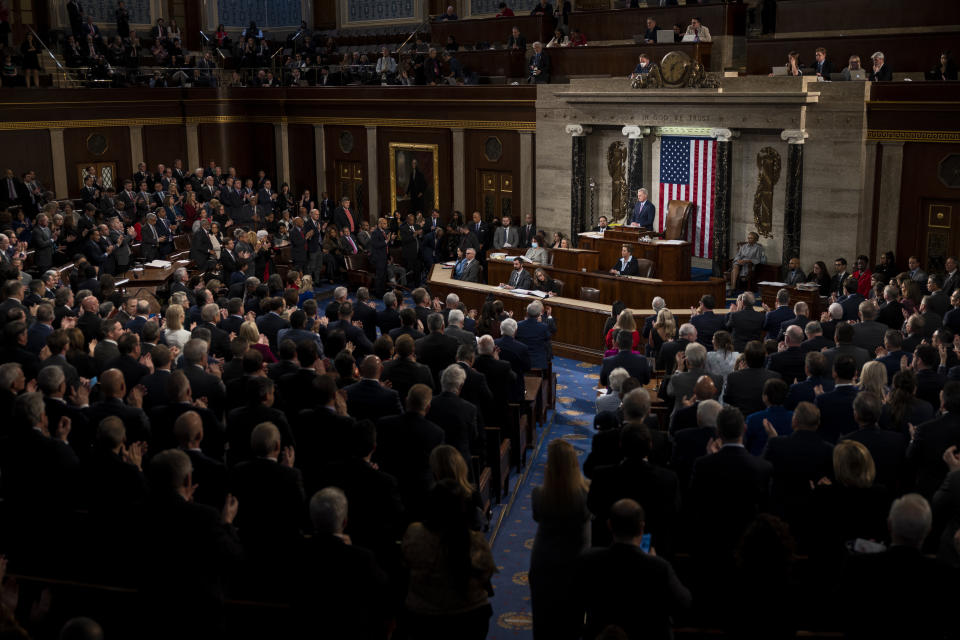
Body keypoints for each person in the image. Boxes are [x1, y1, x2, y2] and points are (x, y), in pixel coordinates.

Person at [574, 499, 690, 640]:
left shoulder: (588, 560)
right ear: (641, 528)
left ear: (609, 525)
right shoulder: (659, 567)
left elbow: (573, 604)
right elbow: (683, 604)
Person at [402, 479, 495, 640]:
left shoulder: (415, 532)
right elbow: (486, 575)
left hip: (424, 617)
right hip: (470, 616)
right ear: (462, 508)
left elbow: (406, 564)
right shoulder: (475, 540)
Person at [529, 439, 591, 640]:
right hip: (577, 563)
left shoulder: (539, 494)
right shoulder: (587, 492)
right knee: (573, 619)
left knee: (543, 619)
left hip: (544, 563)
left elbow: (537, 517)